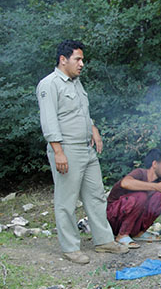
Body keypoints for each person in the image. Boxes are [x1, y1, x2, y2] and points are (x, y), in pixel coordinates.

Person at [36, 40, 127, 264]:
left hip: (86, 149)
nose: (82, 64)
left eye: (82, 59)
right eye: (78, 59)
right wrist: (58, 152)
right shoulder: (49, 84)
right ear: (63, 60)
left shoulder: (76, 83)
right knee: (66, 201)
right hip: (66, 149)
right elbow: (49, 121)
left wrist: (94, 130)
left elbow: (81, 112)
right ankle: (70, 248)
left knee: (96, 196)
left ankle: (104, 240)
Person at [107, 149, 161, 247]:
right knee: (141, 196)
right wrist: (156, 187)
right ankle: (122, 235)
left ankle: (138, 233)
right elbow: (125, 183)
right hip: (113, 219)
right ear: (154, 164)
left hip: (132, 224)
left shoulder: (156, 183)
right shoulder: (139, 173)